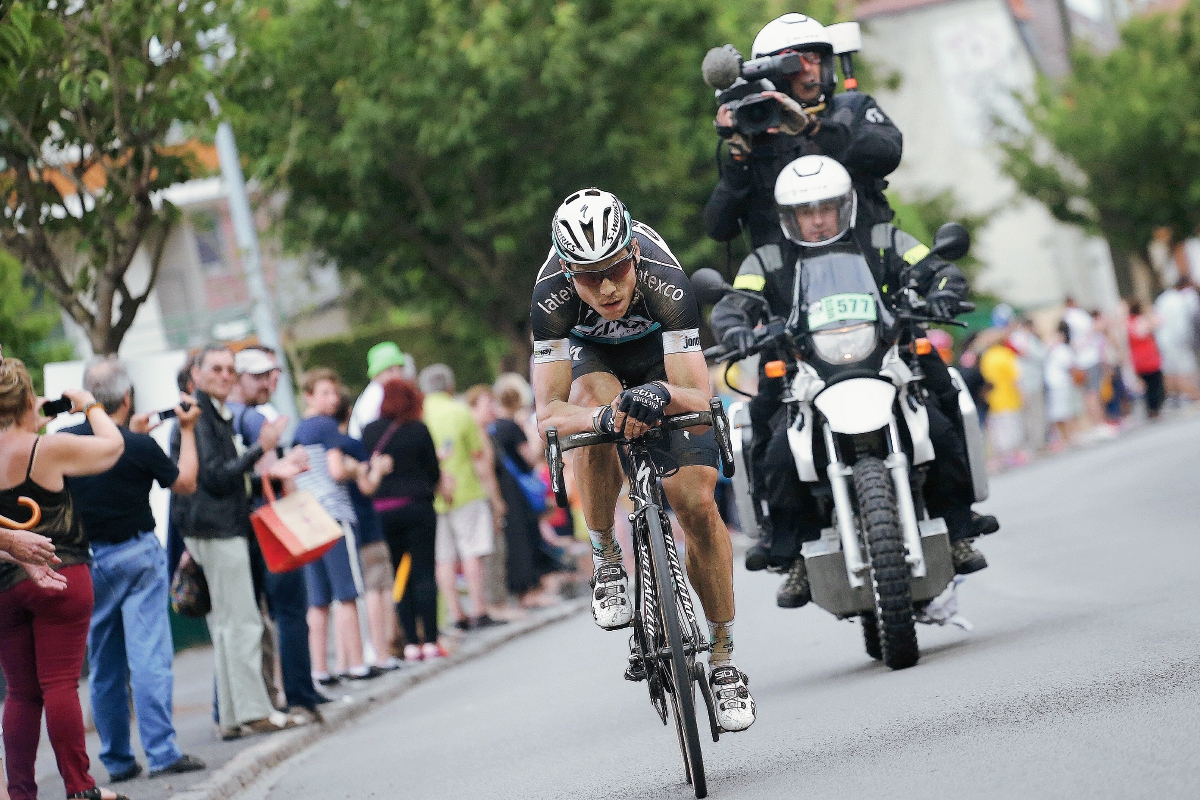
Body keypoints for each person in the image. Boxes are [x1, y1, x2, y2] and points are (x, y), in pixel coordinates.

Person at [709, 156, 995, 607]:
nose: (818, 220)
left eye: (826, 208)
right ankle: (791, 550)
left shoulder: (883, 238)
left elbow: (939, 270)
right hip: (802, 368)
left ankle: (959, 528)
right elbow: (734, 304)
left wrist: (944, 293)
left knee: (941, 420)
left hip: (886, 356)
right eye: (805, 212)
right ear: (788, 217)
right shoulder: (766, 258)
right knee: (773, 445)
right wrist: (735, 329)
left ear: (846, 205)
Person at [531, 188, 755, 732]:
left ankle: (723, 659)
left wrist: (662, 394)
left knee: (696, 503)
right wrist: (602, 418)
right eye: (589, 277)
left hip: (661, 362)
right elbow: (548, 413)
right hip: (594, 363)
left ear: (633, 251)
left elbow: (698, 399)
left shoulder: (665, 282)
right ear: (568, 272)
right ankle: (607, 556)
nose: (607, 288)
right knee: (593, 410)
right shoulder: (550, 297)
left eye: (615, 269)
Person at [64, 358, 207, 783]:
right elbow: (185, 483)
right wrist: (186, 430)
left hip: (88, 560)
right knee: (149, 657)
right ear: (127, 397)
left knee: (104, 665)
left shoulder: (64, 442)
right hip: (138, 555)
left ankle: (117, 760)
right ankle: (161, 751)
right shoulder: (138, 446)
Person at [0, 352, 126, 800]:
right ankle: (79, 787)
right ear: (26, 400)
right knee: (59, 684)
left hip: (4, 585)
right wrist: (89, 404)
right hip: (60, 572)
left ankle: (20, 793)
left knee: (20, 693)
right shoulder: (46, 448)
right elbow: (112, 447)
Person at [171, 345, 309, 739]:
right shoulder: (200, 415)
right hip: (217, 527)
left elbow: (219, 475)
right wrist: (261, 448)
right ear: (197, 374)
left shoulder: (210, 413)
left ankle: (233, 716)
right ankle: (253, 711)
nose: (225, 375)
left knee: (230, 625)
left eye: (229, 369)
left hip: (214, 526)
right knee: (243, 623)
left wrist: (262, 463)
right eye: (216, 368)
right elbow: (216, 477)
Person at [705, 13, 902, 251]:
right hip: (790, 269)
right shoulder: (757, 129)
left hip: (865, 257)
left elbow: (888, 154)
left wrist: (813, 128)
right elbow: (719, 228)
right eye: (793, 64)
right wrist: (739, 159)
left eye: (814, 58)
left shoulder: (852, 108)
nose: (808, 69)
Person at [231, 347, 329, 718]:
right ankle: (299, 694)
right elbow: (272, 474)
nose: (266, 383)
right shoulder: (255, 419)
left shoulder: (228, 418)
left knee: (254, 618)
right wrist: (287, 467)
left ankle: (271, 698)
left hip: (243, 526)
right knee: (288, 610)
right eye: (257, 376)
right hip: (269, 524)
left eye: (268, 375)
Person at [293, 369, 379, 684]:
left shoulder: (299, 430)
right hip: (334, 515)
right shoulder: (328, 426)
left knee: (318, 600)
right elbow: (336, 471)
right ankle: (356, 664)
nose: (332, 399)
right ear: (309, 396)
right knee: (346, 593)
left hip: (309, 519)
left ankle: (320, 669)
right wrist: (358, 468)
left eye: (333, 392)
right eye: (325, 393)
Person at [419, 363, 509, 631]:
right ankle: (479, 609)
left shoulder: (419, 414)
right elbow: (478, 455)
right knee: (472, 551)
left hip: (433, 496)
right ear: (450, 386)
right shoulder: (459, 411)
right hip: (466, 490)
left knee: (443, 557)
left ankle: (457, 614)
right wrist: (494, 497)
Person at [361, 378, 444, 661]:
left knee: (399, 576)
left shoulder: (370, 431)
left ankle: (409, 642)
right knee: (424, 573)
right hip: (418, 508)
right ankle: (430, 640)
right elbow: (433, 472)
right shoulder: (418, 429)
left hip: (384, 513)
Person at [333, 386, 401, 670]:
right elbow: (367, 486)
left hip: (341, 526)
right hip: (366, 523)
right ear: (349, 412)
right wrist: (378, 470)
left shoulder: (326, 446)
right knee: (378, 586)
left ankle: (345, 660)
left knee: (342, 597)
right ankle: (381, 651)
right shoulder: (351, 444)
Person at [348, 342, 408, 438]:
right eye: (390, 370)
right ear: (376, 375)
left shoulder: (377, 391)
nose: (397, 375)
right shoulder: (377, 394)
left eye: (399, 369)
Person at [1127, 301, 1165, 419]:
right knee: (1155, 383)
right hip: (1148, 356)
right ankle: (1154, 408)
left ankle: (1151, 408)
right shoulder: (1140, 321)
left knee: (1148, 385)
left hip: (1138, 358)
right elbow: (1156, 324)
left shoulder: (1128, 322)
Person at [1045, 321, 1078, 448]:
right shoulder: (1055, 349)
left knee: (1063, 412)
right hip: (1057, 384)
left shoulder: (1059, 349)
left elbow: (1070, 366)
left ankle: (1070, 436)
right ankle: (1067, 437)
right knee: (1060, 412)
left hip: (1059, 384)